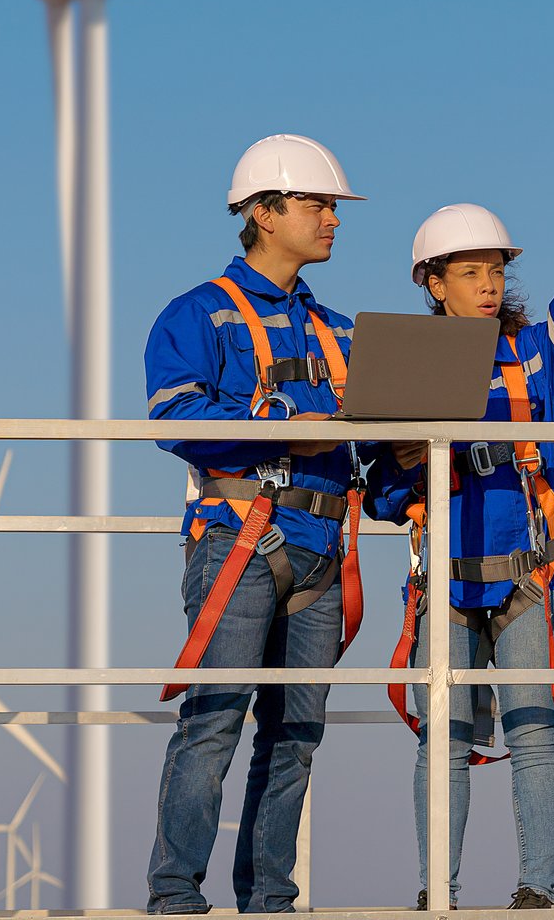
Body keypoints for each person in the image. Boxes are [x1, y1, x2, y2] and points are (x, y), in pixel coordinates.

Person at [369, 195, 554, 910]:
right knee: (444, 740)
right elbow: (377, 486)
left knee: (535, 729)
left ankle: (537, 890)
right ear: (434, 285)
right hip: (445, 578)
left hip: (532, 576)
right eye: (470, 273)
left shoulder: (536, 357)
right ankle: (436, 893)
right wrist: (404, 467)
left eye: (495, 271)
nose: (489, 285)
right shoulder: (402, 369)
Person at [144, 133, 370, 915]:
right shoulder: (197, 313)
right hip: (240, 537)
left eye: (334, 207)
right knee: (212, 721)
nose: (333, 219)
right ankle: (175, 896)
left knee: (296, 736)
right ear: (265, 213)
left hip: (323, 545)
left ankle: (270, 898)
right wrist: (283, 422)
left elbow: (368, 438)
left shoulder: (340, 330)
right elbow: (173, 418)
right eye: (318, 204)